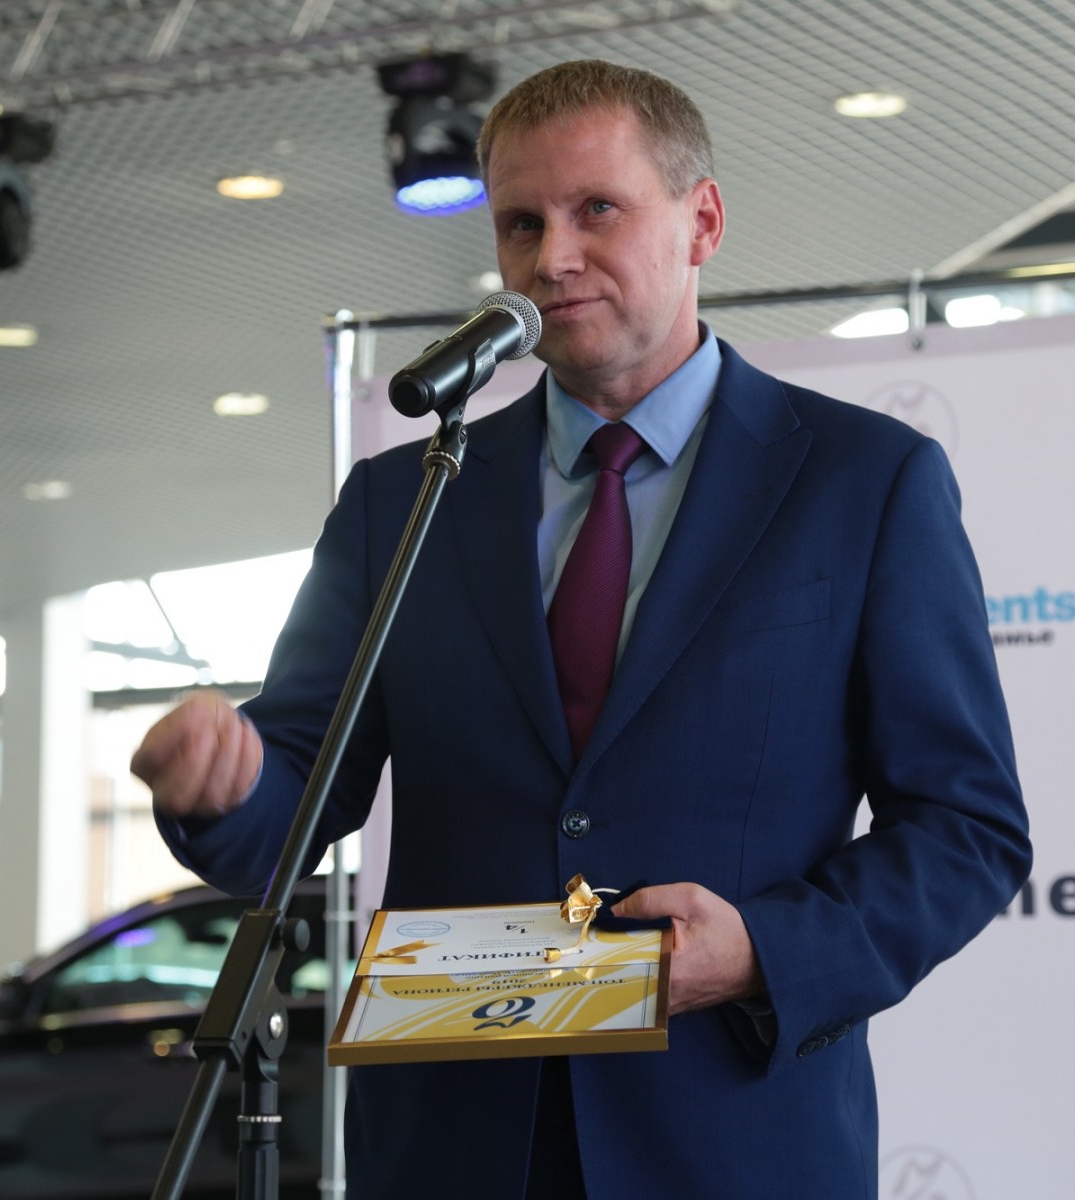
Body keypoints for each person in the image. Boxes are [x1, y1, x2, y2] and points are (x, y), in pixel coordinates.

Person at [133, 59, 1030, 1200]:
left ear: (702, 222)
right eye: (522, 223)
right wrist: (222, 786)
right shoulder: (402, 500)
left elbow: (965, 828)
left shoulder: (865, 482)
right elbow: (300, 786)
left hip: (730, 1140)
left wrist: (762, 952)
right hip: (454, 1144)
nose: (551, 258)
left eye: (596, 209)